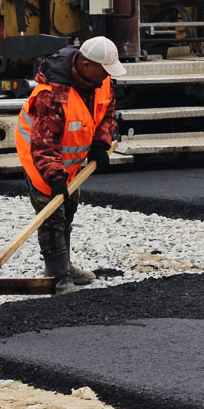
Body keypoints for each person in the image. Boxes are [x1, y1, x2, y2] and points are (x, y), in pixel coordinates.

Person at [14, 36, 125, 292]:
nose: (107, 75)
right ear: (87, 65)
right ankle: (58, 278)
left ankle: (63, 265)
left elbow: (107, 112)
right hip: (40, 159)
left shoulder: (101, 81)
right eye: (104, 70)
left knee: (69, 209)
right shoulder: (53, 94)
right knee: (52, 216)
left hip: (71, 161)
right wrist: (54, 177)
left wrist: (100, 143)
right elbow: (43, 142)